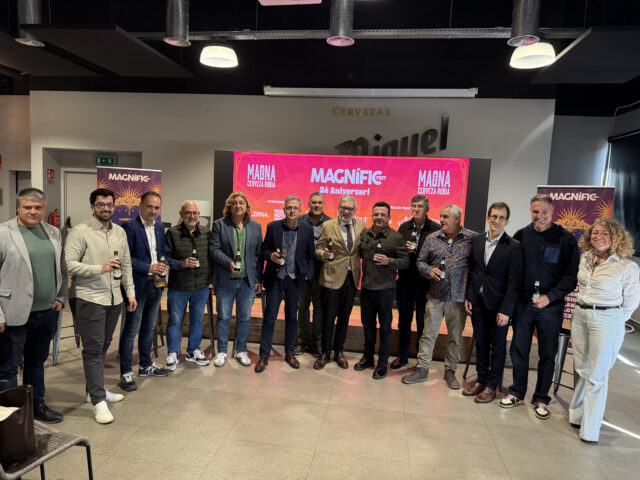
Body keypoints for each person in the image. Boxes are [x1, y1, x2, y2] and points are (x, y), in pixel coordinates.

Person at [500, 194, 579, 420]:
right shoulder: (521, 235)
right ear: (530, 211)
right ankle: (517, 392)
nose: (540, 216)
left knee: (547, 353)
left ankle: (541, 398)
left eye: (544, 211)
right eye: (536, 211)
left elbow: (570, 278)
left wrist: (550, 297)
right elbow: (513, 271)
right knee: (518, 349)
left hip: (551, 307)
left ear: (552, 211)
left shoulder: (566, 239)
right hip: (523, 304)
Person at [65, 188, 135, 424]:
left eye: (110, 204)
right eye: (101, 204)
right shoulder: (80, 232)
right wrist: (100, 268)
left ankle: (93, 390)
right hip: (89, 298)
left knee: (103, 346)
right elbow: (68, 264)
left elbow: (126, 265)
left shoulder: (120, 232)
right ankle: (98, 401)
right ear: (92, 207)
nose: (106, 208)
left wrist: (130, 293)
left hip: (114, 298)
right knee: (93, 350)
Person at [568, 218, 639, 443]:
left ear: (615, 237)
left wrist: (612, 319)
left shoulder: (627, 266)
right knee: (581, 369)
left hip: (606, 319)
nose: (598, 237)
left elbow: (631, 302)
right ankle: (577, 416)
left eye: (604, 233)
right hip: (580, 314)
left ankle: (590, 431)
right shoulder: (586, 257)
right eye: (595, 232)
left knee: (597, 376)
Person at [0, 188, 67, 423]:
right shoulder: (3, 233)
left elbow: (61, 269)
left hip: (46, 312)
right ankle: (10, 417)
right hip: (12, 313)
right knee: (8, 367)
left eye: (38, 208)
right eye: (27, 207)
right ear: (18, 207)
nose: (33, 211)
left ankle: (36, 405)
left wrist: (61, 297)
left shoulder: (53, 232)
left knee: (36, 362)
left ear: (44, 209)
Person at [402, 204, 475, 388]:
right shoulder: (432, 238)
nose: (441, 219)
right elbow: (420, 261)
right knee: (428, 335)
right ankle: (422, 369)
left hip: (458, 298)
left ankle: (450, 371)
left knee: (455, 338)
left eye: (446, 217)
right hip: (435, 295)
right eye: (441, 216)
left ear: (457, 219)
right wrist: (429, 270)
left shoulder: (471, 238)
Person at [463, 202, 522, 403]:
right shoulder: (477, 240)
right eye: (494, 216)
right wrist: (469, 296)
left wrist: (506, 310)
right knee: (480, 343)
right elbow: (474, 271)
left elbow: (514, 283)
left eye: (501, 217)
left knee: (497, 347)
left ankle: (491, 385)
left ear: (507, 221)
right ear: (487, 218)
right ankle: (481, 379)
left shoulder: (514, 246)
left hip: (499, 308)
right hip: (478, 303)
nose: (497, 221)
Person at [255, 196, 315, 372]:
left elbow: (310, 255)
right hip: (275, 278)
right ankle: (264, 355)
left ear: (300, 210)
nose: (292, 211)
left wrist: (307, 274)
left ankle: (289, 353)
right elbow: (263, 251)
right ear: (283, 210)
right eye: (289, 207)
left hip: (295, 280)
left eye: (295, 208)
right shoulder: (273, 227)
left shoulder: (307, 229)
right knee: (269, 317)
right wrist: (270, 256)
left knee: (292, 317)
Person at [118, 191, 169, 392]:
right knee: (132, 329)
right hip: (137, 285)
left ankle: (145, 365)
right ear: (140, 206)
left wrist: (164, 265)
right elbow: (125, 258)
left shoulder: (159, 227)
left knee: (149, 327)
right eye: (149, 207)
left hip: (156, 284)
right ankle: (125, 372)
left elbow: (160, 253)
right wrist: (149, 267)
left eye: (157, 208)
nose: (153, 211)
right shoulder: (130, 227)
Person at [354, 202, 409, 379]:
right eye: (376, 214)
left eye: (382, 215)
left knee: (385, 328)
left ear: (389, 217)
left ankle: (383, 363)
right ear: (372, 215)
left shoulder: (396, 237)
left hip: (385, 290)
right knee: (368, 325)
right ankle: (368, 357)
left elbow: (405, 261)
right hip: (366, 288)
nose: (379, 217)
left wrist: (389, 261)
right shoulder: (365, 234)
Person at [209, 192, 263, 367]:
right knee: (223, 317)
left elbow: (258, 256)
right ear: (229, 207)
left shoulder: (256, 226)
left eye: (241, 203)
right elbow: (213, 250)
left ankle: (241, 350)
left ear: (247, 207)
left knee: (244, 318)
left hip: (247, 282)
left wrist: (258, 279)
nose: (238, 205)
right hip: (225, 280)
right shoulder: (219, 225)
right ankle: (222, 351)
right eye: (234, 203)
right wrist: (229, 262)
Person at [313, 195, 366, 370]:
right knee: (328, 317)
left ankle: (339, 351)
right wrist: (322, 254)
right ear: (338, 208)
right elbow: (318, 249)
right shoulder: (328, 225)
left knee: (344, 317)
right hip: (331, 278)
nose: (346, 211)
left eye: (350, 208)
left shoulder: (361, 226)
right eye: (343, 207)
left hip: (352, 279)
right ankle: (325, 352)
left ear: (355, 210)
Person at [392, 195, 440, 369]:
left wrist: (418, 251)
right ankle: (402, 356)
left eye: (420, 206)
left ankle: (422, 359)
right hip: (405, 280)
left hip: (425, 282)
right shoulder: (404, 227)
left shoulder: (435, 228)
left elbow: (438, 254)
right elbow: (397, 251)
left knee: (422, 321)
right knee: (404, 320)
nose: (416, 209)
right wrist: (403, 250)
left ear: (427, 209)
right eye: (414, 206)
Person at [164, 201, 211, 370]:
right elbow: (165, 257)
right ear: (181, 214)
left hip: (201, 286)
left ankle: (194, 351)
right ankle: (173, 353)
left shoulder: (206, 233)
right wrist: (181, 264)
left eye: (195, 213)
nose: (192, 216)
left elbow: (211, 257)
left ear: (199, 215)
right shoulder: (172, 233)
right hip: (179, 286)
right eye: (188, 213)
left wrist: (211, 279)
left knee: (197, 320)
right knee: (175, 321)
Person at [294, 192, 331, 357]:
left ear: (324, 205)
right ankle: (301, 341)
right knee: (302, 307)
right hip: (302, 271)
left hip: (322, 271)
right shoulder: (299, 220)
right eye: (314, 202)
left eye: (319, 203)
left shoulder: (331, 223)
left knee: (319, 308)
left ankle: (318, 343)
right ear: (308, 204)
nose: (316, 205)